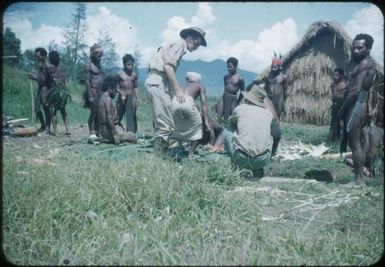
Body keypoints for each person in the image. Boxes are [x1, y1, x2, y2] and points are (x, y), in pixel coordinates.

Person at [145, 26, 207, 155]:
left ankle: (161, 153)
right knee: (165, 125)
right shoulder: (179, 45)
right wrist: (178, 90)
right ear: (190, 38)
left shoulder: (174, 45)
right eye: (197, 43)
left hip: (159, 81)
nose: (196, 47)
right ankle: (158, 159)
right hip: (159, 81)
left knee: (166, 122)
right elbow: (168, 67)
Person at [339, 33, 381, 187]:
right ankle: (358, 179)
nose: (355, 50)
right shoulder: (363, 62)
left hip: (357, 104)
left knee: (355, 144)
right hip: (356, 104)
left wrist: (342, 110)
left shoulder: (365, 64)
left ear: (368, 49)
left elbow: (356, 90)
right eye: (354, 47)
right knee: (355, 143)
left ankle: (358, 181)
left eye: (360, 48)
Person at [224, 85, 274, 178]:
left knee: (228, 130)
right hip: (262, 159)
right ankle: (258, 168)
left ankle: (235, 166)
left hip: (241, 158)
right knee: (270, 136)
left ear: (248, 99)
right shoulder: (268, 113)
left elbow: (231, 122)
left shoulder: (240, 109)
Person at [169, 71, 213, 157]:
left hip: (174, 101)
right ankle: (191, 152)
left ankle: (175, 147)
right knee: (198, 127)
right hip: (188, 101)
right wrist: (206, 121)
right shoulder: (200, 85)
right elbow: (203, 104)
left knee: (177, 125)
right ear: (198, 80)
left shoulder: (182, 85)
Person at [97, 76, 137, 145]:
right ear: (110, 89)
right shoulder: (107, 99)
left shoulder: (102, 98)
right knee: (134, 137)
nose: (115, 93)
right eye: (115, 90)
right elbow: (109, 117)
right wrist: (115, 134)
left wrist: (120, 94)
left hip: (103, 130)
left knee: (129, 134)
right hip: (109, 130)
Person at [46, 50, 71, 135]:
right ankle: (67, 129)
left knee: (53, 111)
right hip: (62, 91)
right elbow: (65, 79)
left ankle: (57, 130)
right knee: (62, 110)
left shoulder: (49, 67)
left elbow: (47, 80)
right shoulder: (62, 66)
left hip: (56, 91)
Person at [83, 44, 105, 138]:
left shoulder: (99, 66)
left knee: (100, 112)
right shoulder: (88, 65)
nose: (99, 54)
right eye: (96, 52)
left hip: (100, 92)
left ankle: (98, 130)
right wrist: (90, 95)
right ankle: (92, 130)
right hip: (93, 91)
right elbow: (87, 81)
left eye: (100, 53)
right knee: (94, 112)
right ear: (92, 54)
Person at [28, 47, 51, 133]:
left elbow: (49, 79)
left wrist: (50, 91)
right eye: (36, 56)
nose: (37, 58)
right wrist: (33, 77)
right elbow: (40, 78)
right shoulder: (40, 65)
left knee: (46, 109)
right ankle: (43, 125)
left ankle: (48, 128)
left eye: (38, 56)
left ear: (44, 55)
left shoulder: (47, 66)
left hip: (46, 89)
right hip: (40, 89)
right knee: (37, 108)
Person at [116, 54, 139, 133]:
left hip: (131, 96)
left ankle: (132, 132)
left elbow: (135, 87)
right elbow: (114, 86)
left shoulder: (134, 75)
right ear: (124, 64)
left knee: (132, 114)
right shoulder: (119, 74)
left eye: (132, 65)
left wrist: (137, 98)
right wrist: (120, 92)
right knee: (119, 113)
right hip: (122, 96)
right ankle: (115, 130)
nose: (130, 66)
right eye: (128, 64)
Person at [328, 68, 347, 142]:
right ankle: (334, 139)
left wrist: (343, 107)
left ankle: (344, 140)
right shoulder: (333, 85)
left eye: (336, 75)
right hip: (335, 106)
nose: (334, 77)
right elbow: (334, 96)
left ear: (341, 76)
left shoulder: (345, 85)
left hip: (343, 106)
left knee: (343, 124)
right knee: (334, 123)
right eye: (333, 75)